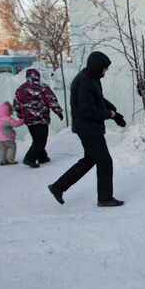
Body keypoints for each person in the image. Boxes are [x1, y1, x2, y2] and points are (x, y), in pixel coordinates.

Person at [48, 51, 127, 207]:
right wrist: (109, 114)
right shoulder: (84, 81)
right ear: (97, 67)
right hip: (88, 128)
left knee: (90, 159)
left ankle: (58, 186)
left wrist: (114, 112)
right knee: (105, 161)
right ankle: (105, 198)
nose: (106, 71)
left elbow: (98, 99)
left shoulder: (91, 78)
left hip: (89, 127)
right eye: (105, 68)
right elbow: (88, 110)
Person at [13, 68, 64, 168]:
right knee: (40, 140)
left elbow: (16, 105)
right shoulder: (42, 87)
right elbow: (51, 100)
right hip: (41, 118)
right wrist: (58, 112)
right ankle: (29, 158)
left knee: (37, 139)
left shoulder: (20, 89)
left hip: (28, 120)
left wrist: (21, 116)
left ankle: (42, 157)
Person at [0, 101, 24, 166]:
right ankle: (10, 160)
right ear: (7, 111)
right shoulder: (8, 119)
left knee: (2, 149)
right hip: (7, 137)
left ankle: (2, 160)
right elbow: (16, 124)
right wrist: (23, 120)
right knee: (12, 147)